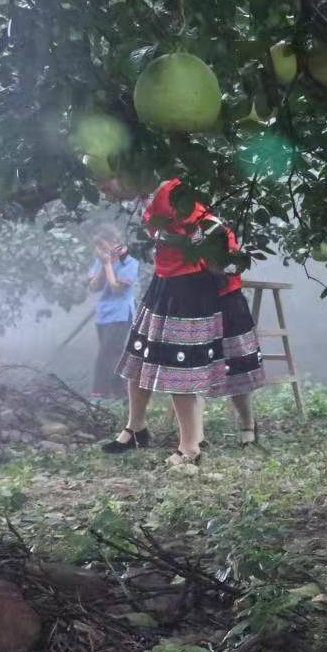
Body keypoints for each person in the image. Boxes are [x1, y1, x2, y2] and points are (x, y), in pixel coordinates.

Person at [110, 179, 266, 464]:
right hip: (175, 283)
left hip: (213, 288)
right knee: (155, 356)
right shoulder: (146, 199)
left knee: (228, 362)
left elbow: (216, 231)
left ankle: (245, 427)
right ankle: (153, 431)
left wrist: (211, 263)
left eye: (105, 182)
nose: (104, 191)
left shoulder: (172, 193)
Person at [87, 228, 140, 403]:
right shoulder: (99, 261)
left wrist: (109, 265)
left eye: (103, 246)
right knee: (113, 353)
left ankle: (99, 394)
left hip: (121, 312)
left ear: (115, 242)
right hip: (103, 314)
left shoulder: (130, 262)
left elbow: (117, 289)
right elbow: (94, 287)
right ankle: (121, 393)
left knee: (105, 353)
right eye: (98, 247)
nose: (100, 251)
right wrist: (104, 265)